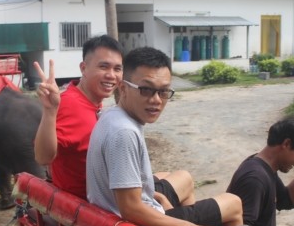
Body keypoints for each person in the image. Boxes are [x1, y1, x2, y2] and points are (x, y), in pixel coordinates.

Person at [86, 47, 243, 226]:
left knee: (184, 178)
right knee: (233, 203)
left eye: (164, 91)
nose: (156, 100)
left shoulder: (113, 115)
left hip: (120, 221)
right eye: (146, 90)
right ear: (123, 88)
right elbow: (131, 209)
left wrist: (153, 198)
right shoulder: (123, 133)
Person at [33, 35, 195, 204]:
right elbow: (43, 158)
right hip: (98, 203)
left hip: (106, 190)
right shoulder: (68, 104)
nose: (111, 75)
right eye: (104, 67)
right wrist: (50, 111)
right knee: (185, 179)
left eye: (117, 69)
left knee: (166, 175)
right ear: (83, 68)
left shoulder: (92, 103)